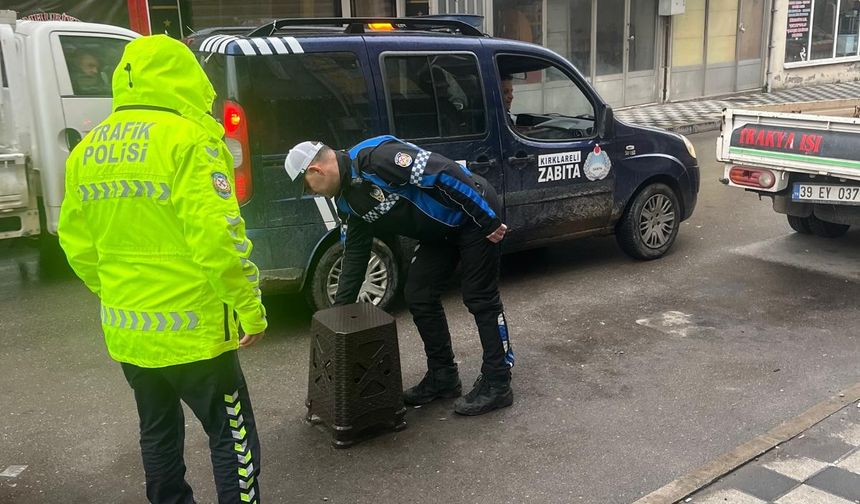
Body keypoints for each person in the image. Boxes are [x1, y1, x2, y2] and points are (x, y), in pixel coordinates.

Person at [58, 35, 266, 504]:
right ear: (187, 79)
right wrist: (249, 310)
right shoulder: (191, 140)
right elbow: (219, 238)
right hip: (197, 334)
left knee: (157, 433)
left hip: (130, 333)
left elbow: (76, 245)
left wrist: (115, 291)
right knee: (232, 439)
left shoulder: (87, 149)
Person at [284, 136, 515, 416]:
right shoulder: (347, 203)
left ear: (315, 171)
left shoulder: (375, 159)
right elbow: (355, 256)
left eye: (309, 188)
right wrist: (338, 316)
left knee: (480, 297)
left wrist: (486, 218)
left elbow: (444, 172)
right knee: (418, 293)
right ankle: (443, 376)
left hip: (472, 210)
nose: (314, 194)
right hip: (439, 232)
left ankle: (498, 381)